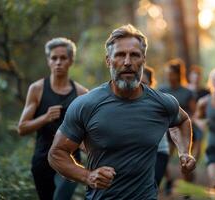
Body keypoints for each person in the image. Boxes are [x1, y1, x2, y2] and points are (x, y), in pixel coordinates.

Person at [48, 24, 196, 200]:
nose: (127, 62)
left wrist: (184, 152)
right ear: (108, 60)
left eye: (134, 55)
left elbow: (182, 121)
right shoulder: (85, 105)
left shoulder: (162, 103)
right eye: (120, 55)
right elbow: (56, 154)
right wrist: (88, 176)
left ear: (143, 60)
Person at [18, 37, 88, 200]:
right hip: (42, 160)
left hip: (71, 160)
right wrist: (45, 118)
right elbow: (22, 128)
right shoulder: (37, 89)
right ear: (48, 61)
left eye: (63, 58)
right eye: (54, 58)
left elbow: (87, 132)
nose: (58, 62)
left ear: (71, 61)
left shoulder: (82, 93)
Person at [159, 59, 196, 193]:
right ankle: (169, 180)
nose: (169, 76)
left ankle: (187, 188)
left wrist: (189, 119)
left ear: (177, 75)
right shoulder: (162, 89)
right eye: (167, 74)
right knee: (162, 158)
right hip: (166, 130)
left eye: (171, 74)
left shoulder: (187, 92)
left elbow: (193, 111)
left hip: (183, 129)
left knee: (185, 159)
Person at [142, 66, 169, 187]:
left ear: (151, 83)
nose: (140, 86)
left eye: (144, 83)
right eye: (138, 82)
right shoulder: (126, 101)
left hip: (159, 152)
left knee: (152, 187)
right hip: (138, 153)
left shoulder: (159, 101)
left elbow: (177, 122)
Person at [187, 65, 210, 161]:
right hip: (186, 122)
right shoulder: (185, 90)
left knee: (198, 150)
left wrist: (205, 121)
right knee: (188, 149)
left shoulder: (206, 92)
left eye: (198, 76)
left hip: (200, 124)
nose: (196, 78)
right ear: (190, 77)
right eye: (194, 76)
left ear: (200, 78)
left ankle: (191, 165)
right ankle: (187, 169)